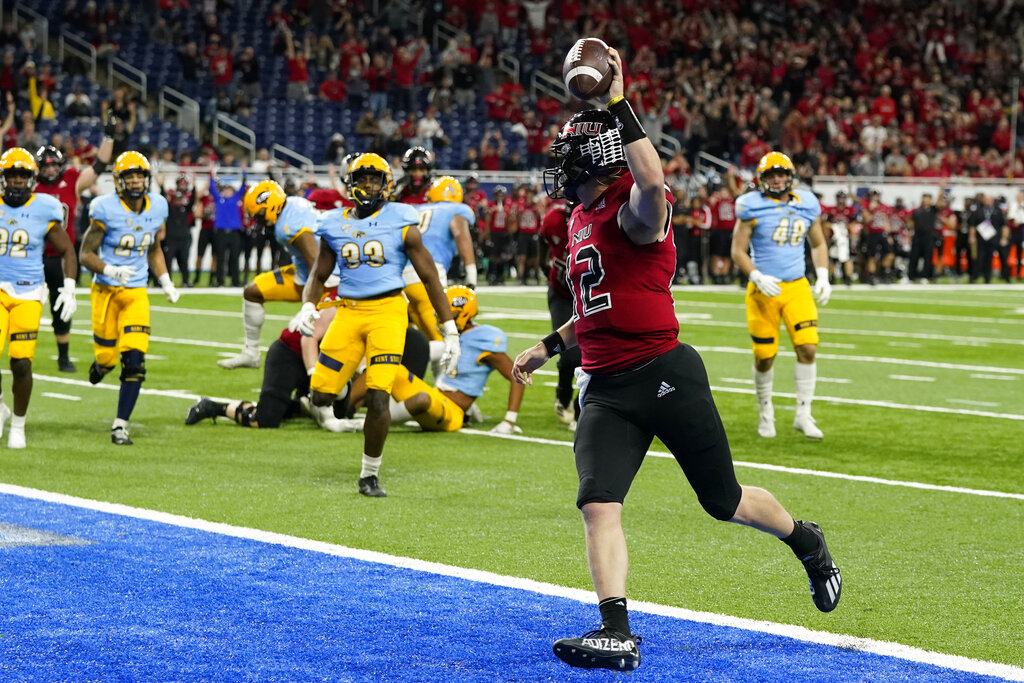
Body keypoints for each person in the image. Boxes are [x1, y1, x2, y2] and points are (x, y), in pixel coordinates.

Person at [514, 48, 841, 672]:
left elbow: (653, 184)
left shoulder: (634, 210)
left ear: (592, 158)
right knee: (598, 502)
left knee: (724, 502)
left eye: (566, 152)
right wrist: (551, 345)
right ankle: (616, 631)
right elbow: (602, 305)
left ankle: (805, 539)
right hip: (607, 386)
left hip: (665, 373)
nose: (557, 161)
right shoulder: (581, 217)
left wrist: (616, 102)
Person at [288, 153, 460, 498]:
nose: (368, 185)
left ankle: (369, 474)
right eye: (362, 179)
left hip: (388, 313)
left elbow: (428, 277)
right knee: (321, 395)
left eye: (374, 179)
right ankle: (342, 386)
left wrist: (449, 328)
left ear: (387, 184)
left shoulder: (401, 219)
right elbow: (320, 273)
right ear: (351, 184)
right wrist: (309, 304)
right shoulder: (334, 222)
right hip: (348, 312)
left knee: (380, 397)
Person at [79, 151, 180, 445]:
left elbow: (153, 248)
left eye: (140, 175)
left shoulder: (158, 206)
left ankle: (120, 425)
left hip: (136, 292)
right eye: (130, 176)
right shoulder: (104, 208)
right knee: (108, 359)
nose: (136, 181)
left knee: (134, 361)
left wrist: (164, 281)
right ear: (118, 181)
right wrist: (110, 268)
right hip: (106, 292)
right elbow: (85, 254)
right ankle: (101, 366)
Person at [731, 151, 831, 440]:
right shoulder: (750, 206)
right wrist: (756, 275)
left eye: (781, 174)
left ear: (790, 176)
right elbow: (737, 251)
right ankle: (766, 411)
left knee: (808, 348)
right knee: (765, 356)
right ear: (762, 179)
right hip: (764, 290)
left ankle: (803, 414)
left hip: (797, 286)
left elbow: (818, 243)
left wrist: (823, 274)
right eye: (771, 175)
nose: (777, 179)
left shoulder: (807, 203)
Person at [0, 148, 77, 448]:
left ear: (32, 180)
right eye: (11, 176)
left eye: (22, 176)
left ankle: (18, 423)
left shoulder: (44, 207)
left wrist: (69, 286)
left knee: (21, 362)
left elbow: (67, 250)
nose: (17, 182)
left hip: (29, 291)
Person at [386, 286, 525, 433]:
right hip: (437, 395)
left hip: (452, 411)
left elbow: (517, 375)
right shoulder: (459, 335)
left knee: (422, 400)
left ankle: (375, 420)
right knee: (386, 367)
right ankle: (359, 407)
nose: (443, 318)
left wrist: (509, 420)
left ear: (464, 314)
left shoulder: (483, 338)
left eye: (449, 314)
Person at [217, 179, 321, 369]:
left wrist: (310, 304)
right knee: (252, 292)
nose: (257, 221)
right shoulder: (291, 205)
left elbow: (317, 264)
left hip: (326, 282)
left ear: (270, 207)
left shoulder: (287, 225)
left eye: (258, 216)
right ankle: (251, 353)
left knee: (305, 336)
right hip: (304, 274)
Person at [34, 132, 115, 373]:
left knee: (62, 308)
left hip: (62, 257)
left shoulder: (71, 180)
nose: (50, 170)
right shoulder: (28, 185)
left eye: (54, 165)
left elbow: (98, 167)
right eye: (45, 166)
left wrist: (108, 137)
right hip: (33, 257)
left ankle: (63, 357)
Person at [402, 176, 477, 357]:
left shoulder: (417, 209)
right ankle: (445, 384)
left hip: (400, 277)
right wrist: (471, 277)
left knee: (414, 337)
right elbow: (461, 235)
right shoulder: (457, 210)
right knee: (446, 343)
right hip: (427, 276)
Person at [539, 197, 580, 430]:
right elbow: (542, 239)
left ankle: (581, 408)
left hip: (589, 295)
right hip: (561, 293)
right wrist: (542, 264)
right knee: (570, 355)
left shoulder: (601, 220)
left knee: (595, 356)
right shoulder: (554, 220)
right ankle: (564, 396)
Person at [207, 163, 248, 287]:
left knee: (234, 258)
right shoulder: (219, 199)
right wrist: (211, 173)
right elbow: (212, 187)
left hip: (234, 233)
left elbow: (243, 187)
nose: (227, 191)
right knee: (220, 258)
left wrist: (244, 173)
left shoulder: (235, 198)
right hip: (221, 232)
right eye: (225, 189)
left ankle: (235, 281)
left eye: (229, 189)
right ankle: (220, 281)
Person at [966, 193, 1004, 284]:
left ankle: (987, 278)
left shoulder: (997, 211)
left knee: (989, 259)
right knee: (978, 258)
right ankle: (974, 276)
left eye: (989, 199)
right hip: (980, 239)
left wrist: (1003, 237)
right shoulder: (978, 211)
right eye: (986, 199)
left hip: (993, 238)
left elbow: (1003, 225)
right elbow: (972, 225)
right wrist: (972, 237)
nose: (988, 201)